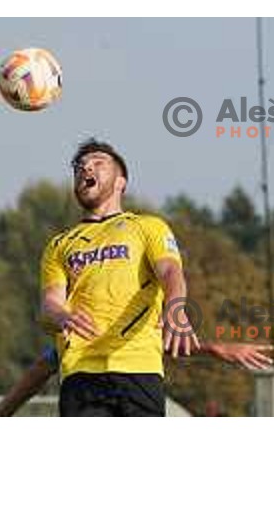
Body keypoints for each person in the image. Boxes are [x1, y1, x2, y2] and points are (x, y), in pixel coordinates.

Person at [40, 139, 200, 417]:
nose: (86, 168)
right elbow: (49, 304)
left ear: (120, 182)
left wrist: (175, 309)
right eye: (80, 167)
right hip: (80, 373)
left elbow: (171, 273)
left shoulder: (148, 226)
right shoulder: (60, 244)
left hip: (138, 369)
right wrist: (63, 316)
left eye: (98, 163)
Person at [0, 342, 274, 417]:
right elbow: (40, 369)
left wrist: (214, 349)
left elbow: (164, 342)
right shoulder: (72, 339)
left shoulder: (138, 328)